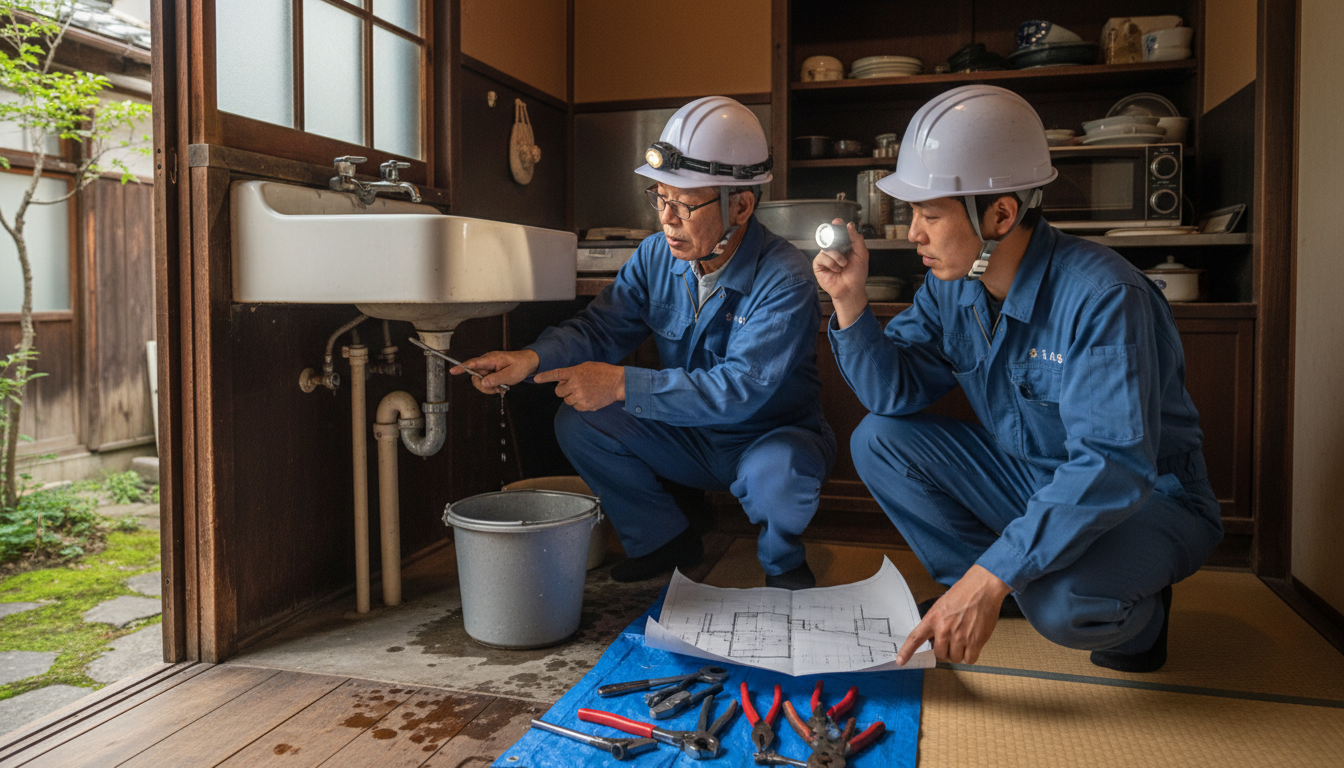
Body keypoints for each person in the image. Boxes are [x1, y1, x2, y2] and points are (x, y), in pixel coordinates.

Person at [814, 85, 1223, 672]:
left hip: (1144, 498)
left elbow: (1112, 465)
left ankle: (1139, 615)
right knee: (879, 438)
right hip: (1032, 478)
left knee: (1065, 605)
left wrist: (997, 571)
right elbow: (891, 395)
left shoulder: (1103, 296)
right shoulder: (950, 286)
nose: (912, 235)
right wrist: (850, 304)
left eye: (929, 215)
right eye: (913, 214)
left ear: (1001, 214)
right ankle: (982, 590)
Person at [453, 96, 835, 590]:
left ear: (741, 205)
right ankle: (663, 541)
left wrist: (619, 383)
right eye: (659, 197)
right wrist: (530, 359)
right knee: (580, 421)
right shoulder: (656, 256)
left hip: (767, 438)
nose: (667, 219)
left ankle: (782, 562)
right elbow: (601, 328)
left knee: (777, 479)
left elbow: (740, 388)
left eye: (685, 204)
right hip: (690, 438)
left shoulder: (785, 277)